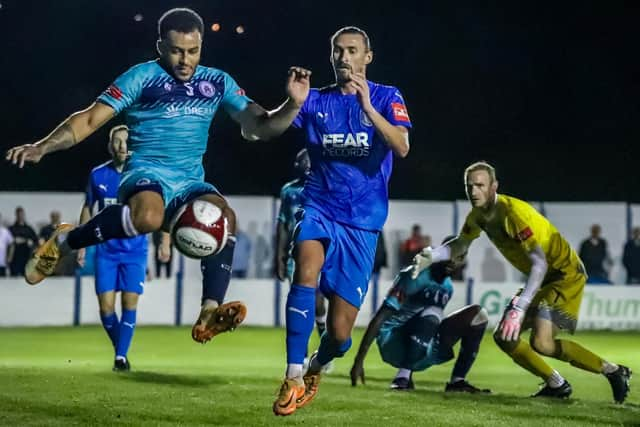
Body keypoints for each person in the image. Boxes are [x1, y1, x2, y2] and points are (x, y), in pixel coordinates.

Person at [6, 8, 310, 343]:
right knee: (149, 217)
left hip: (189, 181)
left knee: (226, 218)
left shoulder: (217, 81)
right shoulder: (141, 77)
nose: (185, 59)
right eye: (177, 50)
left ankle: (210, 310)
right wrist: (43, 146)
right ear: (160, 47)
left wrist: (292, 105)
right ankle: (66, 241)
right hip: (146, 171)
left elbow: (262, 126)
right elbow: (90, 119)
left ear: (201, 46)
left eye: (192, 51)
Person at [273, 26, 411, 416]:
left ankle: (317, 363)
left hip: (362, 225)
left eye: (352, 51)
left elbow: (401, 146)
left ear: (367, 56)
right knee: (305, 270)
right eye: (338, 51)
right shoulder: (315, 101)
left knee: (339, 336)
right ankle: (293, 373)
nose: (344, 58)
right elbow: (271, 129)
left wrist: (369, 110)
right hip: (318, 206)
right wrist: (291, 103)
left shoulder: (387, 97)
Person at [412, 161, 632, 403]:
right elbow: (461, 244)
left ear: (494, 186)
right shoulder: (477, 216)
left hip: (564, 274)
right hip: (544, 277)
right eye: (469, 186)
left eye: (480, 185)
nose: (473, 191)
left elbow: (540, 263)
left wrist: (519, 307)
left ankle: (612, 371)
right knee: (505, 337)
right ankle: (557, 384)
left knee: (541, 342)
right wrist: (431, 256)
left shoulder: (512, 214)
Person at [351, 240, 490, 394]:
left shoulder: (448, 287)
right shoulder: (415, 275)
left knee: (478, 316)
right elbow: (381, 316)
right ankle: (402, 377)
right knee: (433, 312)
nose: (454, 260)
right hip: (393, 340)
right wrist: (359, 360)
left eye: (460, 258)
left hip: (423, 344)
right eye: (451, 254)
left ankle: (457, 381)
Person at [77, 125, 152, 371]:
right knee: (106, 308)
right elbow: (89, 207)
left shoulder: (143, 176)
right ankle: (121, 350)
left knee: (129, 303)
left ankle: (120, 357)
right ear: (110, 146)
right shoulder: (97, 175)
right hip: (106, 251)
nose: (122, 146)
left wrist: (165, 242)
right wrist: (81, 241)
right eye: (117, 142)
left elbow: (155, 210)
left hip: (135, 250)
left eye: (126, 142)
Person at [275, 149, 328, 338]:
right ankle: (302, 353)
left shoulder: (324, 189)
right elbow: (282, 224)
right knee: (300, 298)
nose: (306, 164)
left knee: (317, 299)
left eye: (309, 161)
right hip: (293, 255)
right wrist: (279, 257)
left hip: (319, 252)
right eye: (302, 161)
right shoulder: (288, 191)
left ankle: (323, 334)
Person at [8, 207, 38, 277]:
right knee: (14, 279)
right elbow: (8, 243)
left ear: (24, 215)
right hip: (14, 260)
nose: (20, 216)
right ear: (16, 215)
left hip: (26, 258)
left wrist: (31, 242)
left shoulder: (29, 229)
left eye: (21, 214)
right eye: (18, 214)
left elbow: (36, 241)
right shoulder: (11, 228)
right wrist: (14, 240)